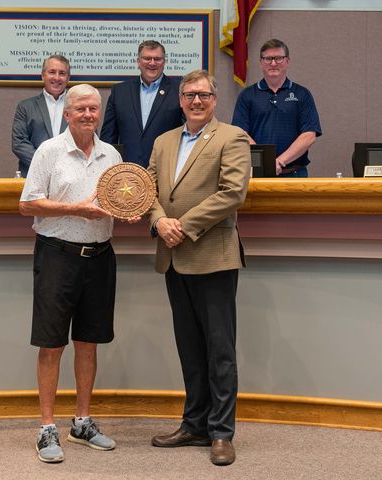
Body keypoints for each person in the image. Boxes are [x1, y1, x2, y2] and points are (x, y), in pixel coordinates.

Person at [148, 70, 250, 466]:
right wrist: (159, 222)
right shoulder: (164, 141)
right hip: (173, 257)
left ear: (214, 99)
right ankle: (195, 424)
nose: (195, 101)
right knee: (190, 348)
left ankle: (221, 432)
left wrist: (182, 226)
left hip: (213, 256)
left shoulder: (232, 137)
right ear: (180, 99)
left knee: (219, 350)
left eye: (203, 95)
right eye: (189, 95)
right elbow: (148, 190)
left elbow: (233, 192)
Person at [19, 84, 121, 463]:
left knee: (89, 342)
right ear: (67, 113)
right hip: (57, 256)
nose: (88, 114)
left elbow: (119, 198)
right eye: (80, 108)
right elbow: (27, 205)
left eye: (94, 108)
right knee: (51, 344)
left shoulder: (112, 154)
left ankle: (82, 422)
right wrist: (77, 210)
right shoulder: (49, 151)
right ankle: (47, 427)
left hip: (100, 257)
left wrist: (127, 208)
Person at [232, 38, 322, 177]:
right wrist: (265, 162)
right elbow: (240, 133)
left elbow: (309, 135)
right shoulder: (247, 95)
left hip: (295, 175)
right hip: (257, 173)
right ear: (261, 62)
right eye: (268, 59)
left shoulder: (302, 94)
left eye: (279, 58)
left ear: (287, 61)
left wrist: (279, 162)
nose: (273, 63)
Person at [100, 40, 183, 168]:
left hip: (167, 170)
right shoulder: (120, 92)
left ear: (164, 62)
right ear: (138, 61)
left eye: (157, 59)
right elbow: (108, 139)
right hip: (127, 173)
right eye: (147, 58)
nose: (152, 63)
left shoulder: (179, 90)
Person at [12, 55, 70, 177]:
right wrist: (46, 164)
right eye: (52, 72)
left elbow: (89, 139)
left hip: (70, 176)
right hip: (34, 174)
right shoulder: (25, 107)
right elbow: (19, 143)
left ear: (68, 78)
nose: (57, 77)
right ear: (43, 75)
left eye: (62, 73)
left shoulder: (79, 106)